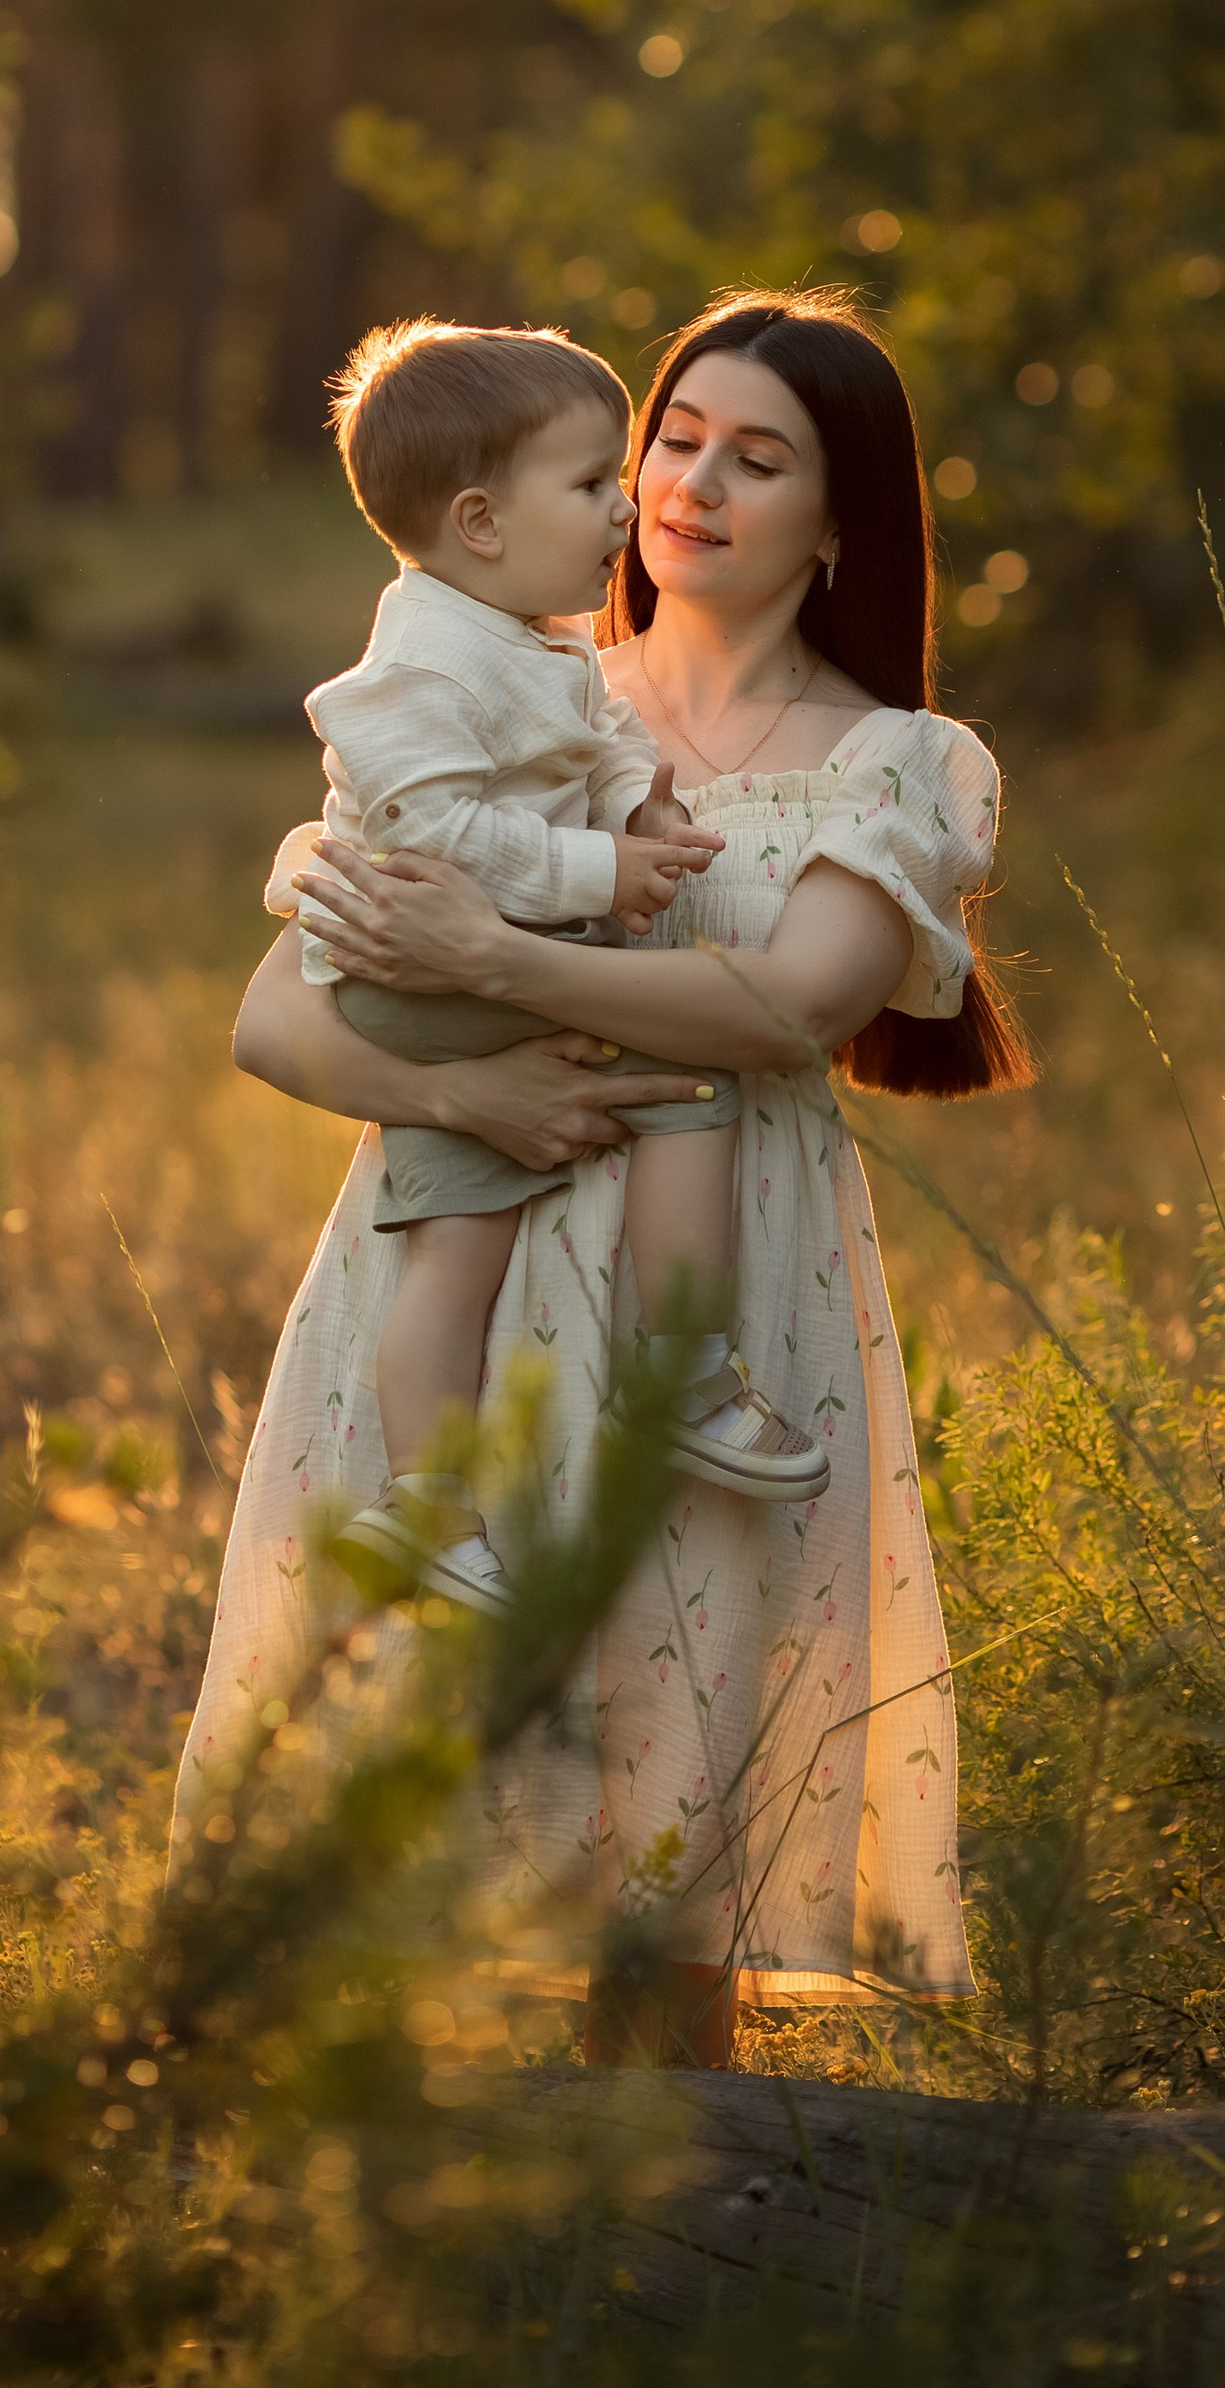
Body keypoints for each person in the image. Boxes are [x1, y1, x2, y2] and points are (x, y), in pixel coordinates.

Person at [176, 289, 1032, 2065]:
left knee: (670, 1793)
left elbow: (788, 1006)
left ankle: (671, 2236)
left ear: (842, 516)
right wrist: (480, 1086)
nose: (691, 483)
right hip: (457, 1267)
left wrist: (493, 964)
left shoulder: (897, 761)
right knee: (431, 1769)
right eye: (674, 437)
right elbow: (280, 1019)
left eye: (760, 457)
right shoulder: (491, 686)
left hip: (707, 1320)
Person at [275, 318, 832, 1626]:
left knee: (572, 1161)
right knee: (501, 1215)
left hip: (483, 965)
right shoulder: (416, 668)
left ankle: (564, 1429)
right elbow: (433, 839)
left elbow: (585, 744)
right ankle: (532, 1443)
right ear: (478, 520)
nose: (631, 501)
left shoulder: (525, 636)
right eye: (599, 481)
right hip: (428, 985)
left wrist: (636, 804)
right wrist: (594, 881)